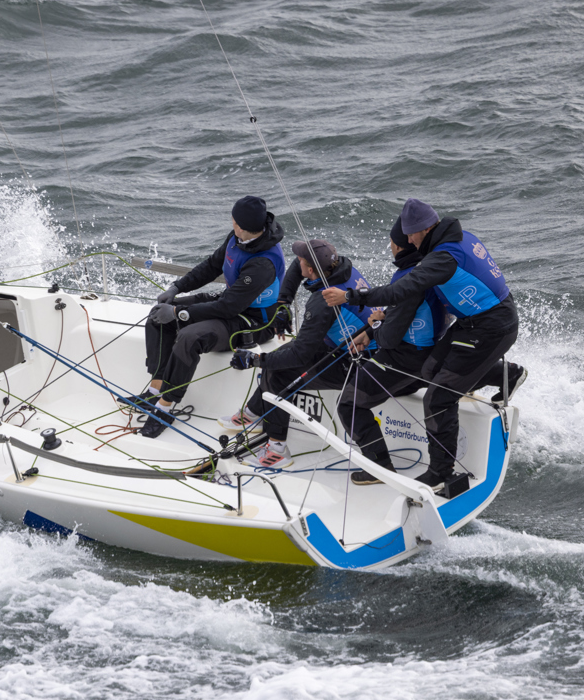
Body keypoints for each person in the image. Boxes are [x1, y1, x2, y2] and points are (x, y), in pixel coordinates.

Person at [322, 198, 522, 487]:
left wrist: (350, 297)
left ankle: (442, 475)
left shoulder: (441, 259)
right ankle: (507, 373)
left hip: (491, 326)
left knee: (438, 398)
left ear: (425, 229)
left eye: (411, 236)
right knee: (430, 371)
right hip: (477, 320)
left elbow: (399, 292)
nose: (410, 242)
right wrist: (378, 322)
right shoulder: (462, 236)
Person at [138, 196, 286, 438]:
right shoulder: (237, 238)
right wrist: (176, 288)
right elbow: (211, 266)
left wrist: (176, 313)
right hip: (230, 303)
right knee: (157, 316)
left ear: (241, 224)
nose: (231, 221)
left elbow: (228, 308)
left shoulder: (263, 263)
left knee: (189, 337)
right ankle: (156, 390)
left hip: (254, 321)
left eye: (234, 219)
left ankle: (165, 408)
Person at [223, 239, 379, 468]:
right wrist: (283, 303)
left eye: (301, 259)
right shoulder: (341, 267)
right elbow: (299, 266)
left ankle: (277, 450)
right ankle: (255, 411)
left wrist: (254, 360)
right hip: (348, 344)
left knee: (279, 372)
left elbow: (300, 356)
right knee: (281, 354)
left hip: (360, 363)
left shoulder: (323, 302)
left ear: (312, 270)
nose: (297, 261)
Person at [338, 218, 448, 485]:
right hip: (433, 354)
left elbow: (388, 339)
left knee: (348, 404)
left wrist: (376, 324)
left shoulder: (406, 278)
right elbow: (405, 312)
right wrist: (370, 330)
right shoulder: (428, 268)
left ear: (398, 246)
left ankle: (380, 468)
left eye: (391, 242)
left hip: (406, 359)